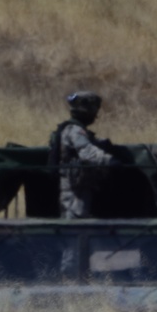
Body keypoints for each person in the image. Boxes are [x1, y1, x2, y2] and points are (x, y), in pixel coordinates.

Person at [50, 90, 119, 219]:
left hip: (79, 186)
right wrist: (109, 160)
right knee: (75, 223)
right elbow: (87, 152)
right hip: (74, 190)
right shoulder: (74, 130)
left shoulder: (72, 129)